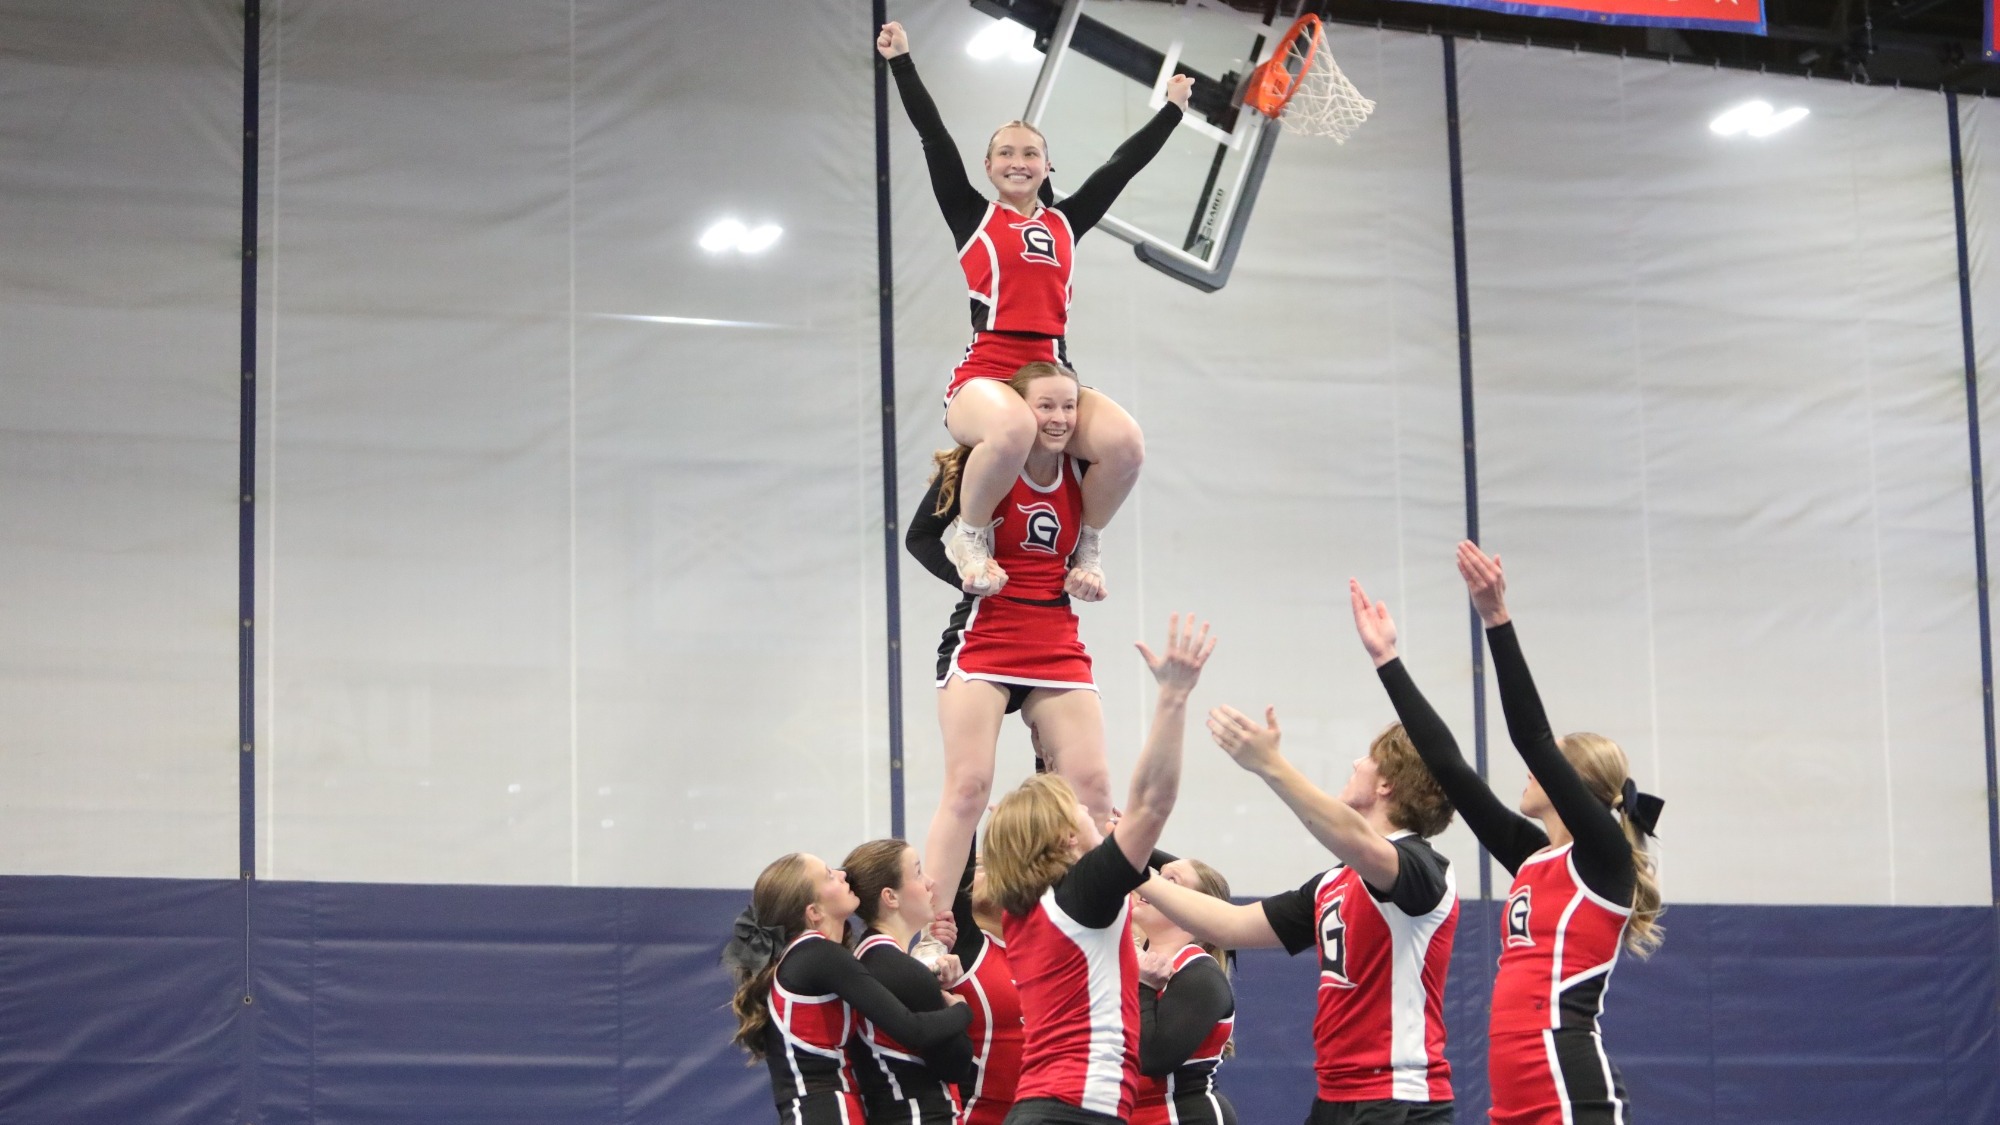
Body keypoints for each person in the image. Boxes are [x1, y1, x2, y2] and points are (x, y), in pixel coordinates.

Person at [1349, 541, 1664, 1125]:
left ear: (1577, 784)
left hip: (1567, 1083)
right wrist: (1387, 660)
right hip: (1515, 1090)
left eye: (1550, 768)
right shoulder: (1535, 859)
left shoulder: (1603, 857)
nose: (1530, 773)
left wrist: (1496, 618)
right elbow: (1450, 768)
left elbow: (1531, 738)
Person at [879, 20, 1192, 599]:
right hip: (988, 372)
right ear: (988, 167)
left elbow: (1121, 166)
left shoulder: (1066, 223)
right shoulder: (972, 216)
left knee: (1126, 446)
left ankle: (1087, 544)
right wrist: (902, 61)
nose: (1018, 160)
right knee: (1014, 425)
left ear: (1047, 167)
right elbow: (934, 139)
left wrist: (1171, 111)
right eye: (1005, 152)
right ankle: (969, 535)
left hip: (1050, 372)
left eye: (1030, 153)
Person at [1140, 709, 1460, 1124]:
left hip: (1399, 1097)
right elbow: (1226, 924)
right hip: (1335, 1095)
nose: (1354, 763)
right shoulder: (1334, 882)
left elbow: (1353, 838)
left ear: (1386, 783)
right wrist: (1128, 867)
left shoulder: (1421, 870)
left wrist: (1270, 764)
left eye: (1367, 758)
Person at [982, 612, 1216, 1125]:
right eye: (1083, 816)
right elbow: (1152, 804)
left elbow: (1033, 820)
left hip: (1050, 1106)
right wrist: (1173, 699)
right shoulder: (1084, 893)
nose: (1100, 820)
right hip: (1073, 1109)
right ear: (1068, 838)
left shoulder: (1027, 905)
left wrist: (1047, 756)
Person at [907, 362, 1114, 918]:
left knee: (1092, 789)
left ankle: (1095, 921)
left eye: (1070, 406)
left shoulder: (1084, 471)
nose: (1060, 418)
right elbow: (920, 538)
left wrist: (1086, 575)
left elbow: (1082, 546)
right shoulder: (985, 464)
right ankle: (934, 927)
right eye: (1045, 406)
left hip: (1054, 639)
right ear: (1019, 412)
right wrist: (967, 576)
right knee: (970, 786)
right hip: (987, 636)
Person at [723, 852, 971, 1125]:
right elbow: (913, 1030)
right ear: (814, 912)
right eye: (830, 875)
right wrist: (960, 1007)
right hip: (827, 1110)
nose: (843, 874)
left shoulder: (803, 958)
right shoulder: (819, 954)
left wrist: (927, 968)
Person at [842, 839, 977, 1124]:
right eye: (918, 873)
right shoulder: (898, 969)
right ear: (890, 897)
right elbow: (957, 1064)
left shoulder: (870, 957)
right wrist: (957, 1007)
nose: (929, 883)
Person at [1130, 858, 1238, 1125]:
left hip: (1183, 1117)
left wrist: (1144, 987)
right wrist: (1117, 839)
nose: (1153, 886)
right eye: (1158, 876)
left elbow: (1153, 1058)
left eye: (1171, 882)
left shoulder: (1201, 975)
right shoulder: (1133, 961)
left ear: (1194, 909)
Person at [937, 840, 1024, 1125]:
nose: (993, 872)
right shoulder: (968, 947)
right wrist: (971, 802)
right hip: (978, 1115)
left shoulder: (1040, 950)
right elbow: (958, 851)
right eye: (982, 867)